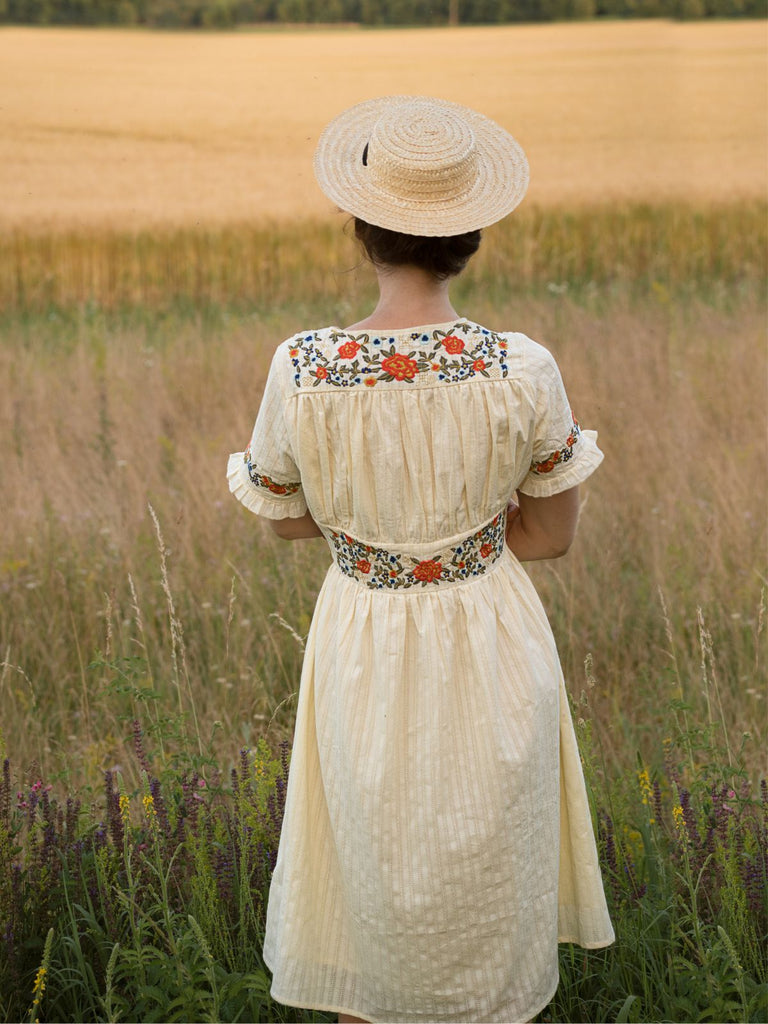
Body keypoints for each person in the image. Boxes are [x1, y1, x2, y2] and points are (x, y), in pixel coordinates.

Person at [227, 95, 615, 1024]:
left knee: (371, 881)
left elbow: (282, 517)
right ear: (471, 235)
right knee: (487, 880)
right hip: (490, 634)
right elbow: (551, 535)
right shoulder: (522, 368)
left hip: (363, 632)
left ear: (360, 229)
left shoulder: (305, 365)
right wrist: (461, 546)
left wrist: (377, 538)